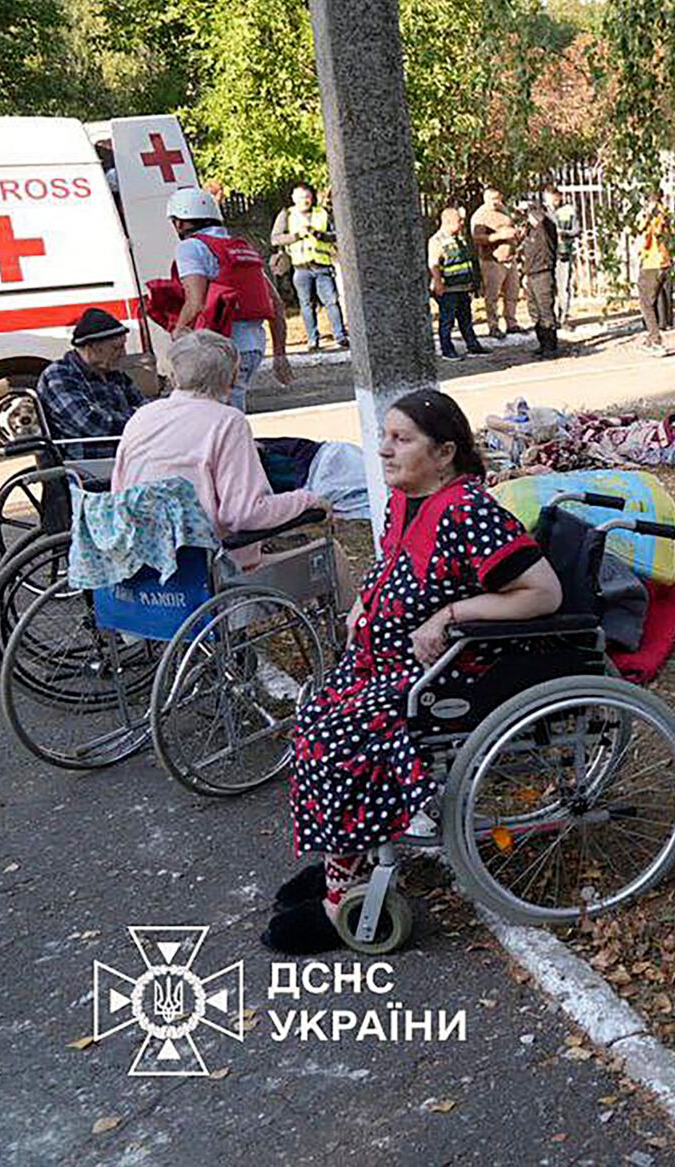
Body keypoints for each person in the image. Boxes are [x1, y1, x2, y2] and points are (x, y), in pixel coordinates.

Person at [263, 389, 563, 953]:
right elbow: (395, 565)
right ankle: (344, 857)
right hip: (387, 661)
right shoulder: (409, 500)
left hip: (450, 673)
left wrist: (453, 613)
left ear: (445, 452)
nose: (384, 450)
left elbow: (543, 593)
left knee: (338, 736)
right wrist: (365, 605)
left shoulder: (470, 513)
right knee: (314, 713)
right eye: (385, 437)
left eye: (402, 440)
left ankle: (340, 901)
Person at [110, 330, 321, 551]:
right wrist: (307, 500)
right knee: (326, 551)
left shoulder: (143, 415)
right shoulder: (228, 421)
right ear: (232, 377)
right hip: (205, 562)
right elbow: (244, 513)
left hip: (136, 554)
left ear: (174, 375)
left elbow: (119, 492)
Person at [165, 186, 291, 412]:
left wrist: (178, 332)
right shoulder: (240, 247)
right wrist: (279, 355)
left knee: (219, 418)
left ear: (180, 222)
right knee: (228, 412)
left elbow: (196, 303)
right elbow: (276, 303)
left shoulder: (191, 247)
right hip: (253, 348)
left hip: (220, 347)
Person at [35, 309, 147, 456]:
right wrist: (142, 419)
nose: (123, 353)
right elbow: (94, 423)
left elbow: (145, 405)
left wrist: (146, 416)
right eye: (116, 348)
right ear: (92, 347)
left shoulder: (113, 372)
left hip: (128, 453)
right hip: (89, 465)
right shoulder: (59, 375)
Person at [270, 184, 347, 352]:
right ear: (293, 198)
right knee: (306, 304)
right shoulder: (287, 215)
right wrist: (296, 236)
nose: (304, 201)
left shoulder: (322, 214)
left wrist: (318, 234)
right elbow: (275, 239)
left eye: (306, 197)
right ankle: (313, 339)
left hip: (322, 266)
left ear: (311, 198)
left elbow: (338, 235)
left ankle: (340, 336)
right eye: (299, 197)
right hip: (300, 267)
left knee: (332, 301)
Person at [426, 205, 488, 360]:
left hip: (462, 286)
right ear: (447, 221)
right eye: (458, 220)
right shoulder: (436, 240)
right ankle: (447, 350)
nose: (461, 223)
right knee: (447, 320)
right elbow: (433, 264)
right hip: (448, 288)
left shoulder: (460, 239)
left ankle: (473, 345)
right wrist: (438, 283)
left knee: (466, 318)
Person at [469, 185, 524, 340]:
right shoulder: (480, 216)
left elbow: (509, 226)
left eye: (498, 199)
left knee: (512, 292)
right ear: (485, 199)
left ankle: (511, 323)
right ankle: (493, 325)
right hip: (491, 260)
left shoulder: (503, 209)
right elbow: (477, 239)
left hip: (510, 257)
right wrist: (499, 236)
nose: (496, 202)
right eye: (493, 199)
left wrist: (516, 234)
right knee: (492, 295)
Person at [520, 193, 563, 359]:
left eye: (531, 213)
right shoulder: (530, 231)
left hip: (543, 273)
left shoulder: (546, 227)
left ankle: (550, 346)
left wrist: (534, 209)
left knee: (545, 310)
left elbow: (542, 221)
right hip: (531, 274)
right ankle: (542, 343)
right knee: (534, 311)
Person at [636, 202, 675, 355]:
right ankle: (651, 338)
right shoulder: (665, 216)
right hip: (664, 262)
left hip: (651, 264)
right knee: (654, 300)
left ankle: (655, 339)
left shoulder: (651, 218)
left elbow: (645, 240)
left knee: (646, 303)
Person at [543, 185, 578, 323]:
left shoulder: (569, 210)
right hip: (546, 255)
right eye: (551, 199)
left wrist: (565, 234)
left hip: (563, 253)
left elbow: (576, 229)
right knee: (547, 288)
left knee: (564, 286)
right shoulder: (542, 212)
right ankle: (549, 318)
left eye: (556, 199)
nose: (554, 202)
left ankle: (563, 317)